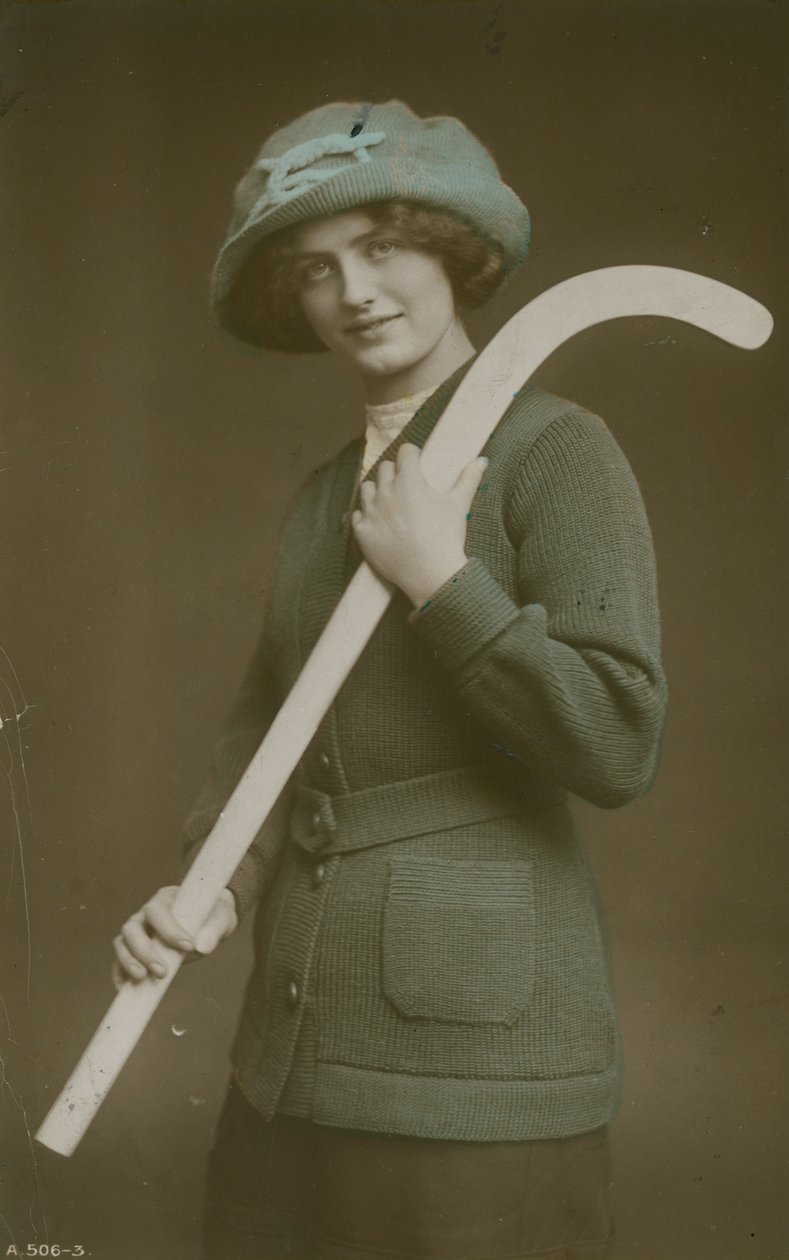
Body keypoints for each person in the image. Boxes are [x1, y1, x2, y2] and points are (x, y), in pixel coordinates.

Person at [111, 100, 668, 1259]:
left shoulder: (558, 452)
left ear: (449, 250)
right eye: (316, 268)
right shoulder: (324, 498)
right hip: (292, 1061)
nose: (355, 289)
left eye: (383, 246)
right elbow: (269, 719)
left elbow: (617, 741)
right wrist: (220, 877)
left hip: (477, 1073)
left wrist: (442, 583)